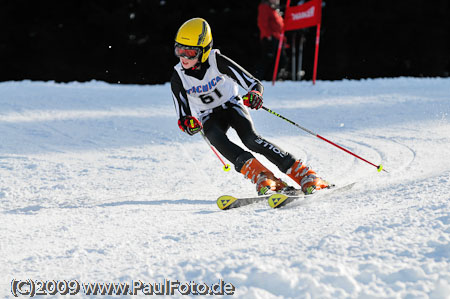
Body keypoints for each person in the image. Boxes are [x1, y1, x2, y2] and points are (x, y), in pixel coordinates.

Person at [170, 18, 329, 195]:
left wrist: (255, 95)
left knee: (250, 139)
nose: (184, 57)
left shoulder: (217, 61)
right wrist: (188, 124)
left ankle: (304, 174)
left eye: (190, 53)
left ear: (205, 50)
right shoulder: (178, 77)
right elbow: (183, 116)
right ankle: (264, 176)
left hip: (231, 105)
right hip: (208, 114)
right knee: (214, 136)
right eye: (179, 50)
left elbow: (254, 83)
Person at [256, 0, 288, 81]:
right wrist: (268, 35)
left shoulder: (274, 9)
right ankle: (259, 78)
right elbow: (262, 23)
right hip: (270, 38)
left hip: (278, 38)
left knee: (280, 59)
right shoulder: (265, 7)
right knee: (268, 59)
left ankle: (273, 78)